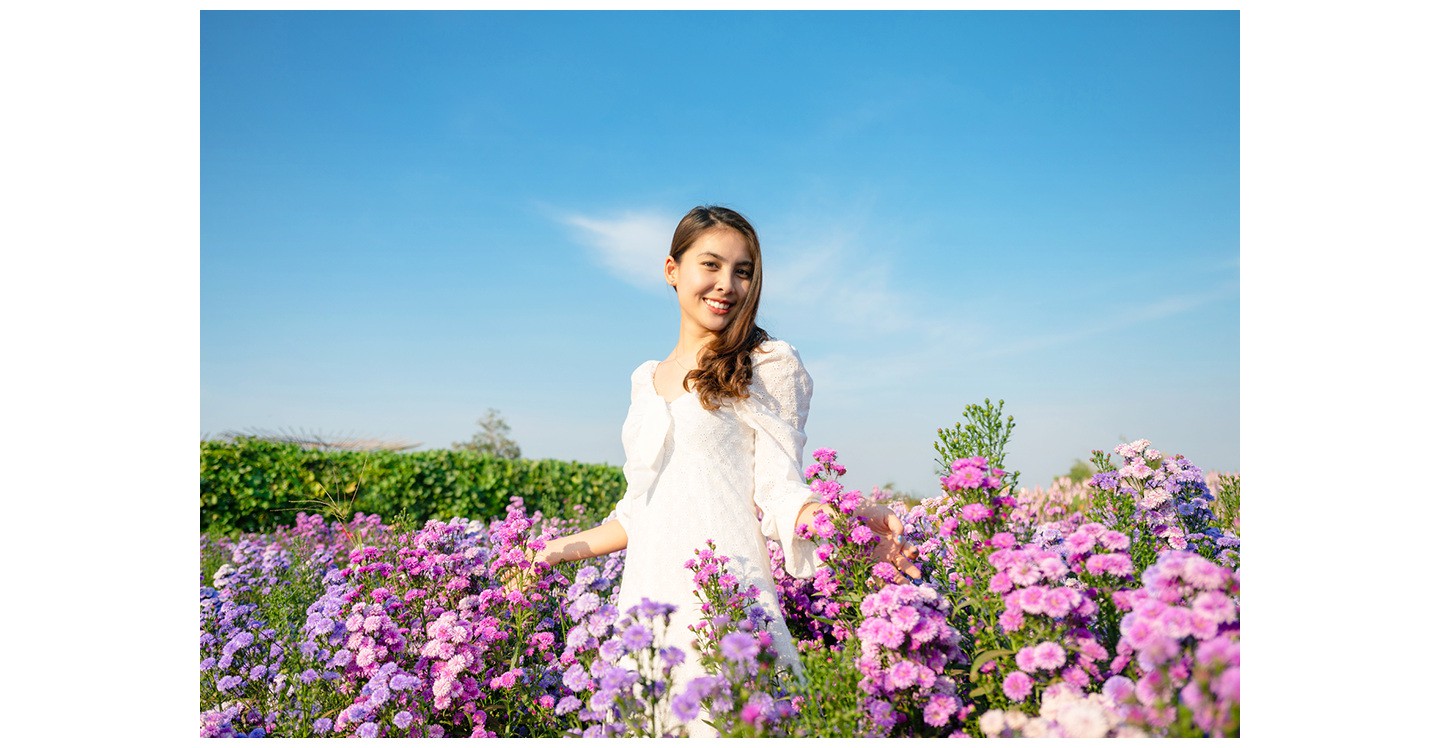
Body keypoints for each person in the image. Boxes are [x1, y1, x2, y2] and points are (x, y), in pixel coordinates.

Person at [536, 205, 920, 736]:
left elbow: (780, 489)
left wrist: (847, 526)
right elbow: (639, 510)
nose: (727, 285)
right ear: (672, 270)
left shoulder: (767, 364)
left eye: (743, 271)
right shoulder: (645, 380)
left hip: (727, 593)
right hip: (647, 603)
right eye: (711, 265)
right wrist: (554, 550)